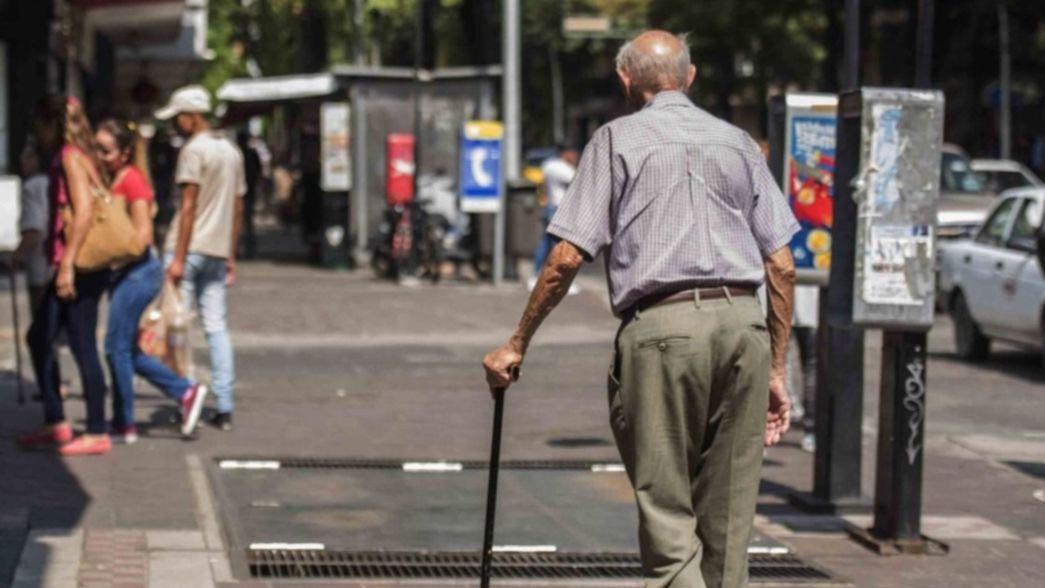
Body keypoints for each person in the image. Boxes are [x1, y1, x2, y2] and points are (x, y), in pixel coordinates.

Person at [483, 31, 798, 588]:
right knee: (728, 520)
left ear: (626, 80)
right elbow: (781, 264)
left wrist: (518, 341)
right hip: (744, 325)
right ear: (690, 77)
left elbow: (565, 256)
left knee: (668, 512)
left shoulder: (614, 140)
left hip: (663, 330)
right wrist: (775, 368)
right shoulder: (739, 143)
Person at [96, 118, 210, 444]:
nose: (101, 156)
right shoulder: (115, 178)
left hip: (138, 273)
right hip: (126, 273)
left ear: (125, 152)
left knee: (115, 348)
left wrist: (109, 255)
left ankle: (124, 423)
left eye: (106, 151)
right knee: (126, 350)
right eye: (97, 150)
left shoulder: (132, 181)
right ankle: (185, 392)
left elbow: (142, 236)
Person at [17, 96, 114, 456]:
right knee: (39, 336)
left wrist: (68, 264)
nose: (36, 135)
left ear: (50, 124)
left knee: (82, 344)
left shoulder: (71, 157)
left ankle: (96, 429)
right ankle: (57, 421)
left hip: (81, 267)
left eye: (38, 126)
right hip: (74, 264)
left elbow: (85, 211)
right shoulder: (72, 155)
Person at [154, 85, 245, 432]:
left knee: (180, 330)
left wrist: (177, 258)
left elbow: (188, 207)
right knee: (216, 327)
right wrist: (231, 254)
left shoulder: (193, 151)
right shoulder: (231, 152)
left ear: (191, 116)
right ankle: (224, 405)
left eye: (178, 117)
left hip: (188, 249)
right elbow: (238, 207)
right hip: (217, 251)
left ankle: (186, 398)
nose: (176, 124)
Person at [529, 144, 579, 293]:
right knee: (559, 248)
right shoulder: (561, 168)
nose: (575, 157)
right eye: (573, 154)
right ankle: (558, 282)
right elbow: (578, 181)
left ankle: (535, 276)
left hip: (549, 207)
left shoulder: (547, 165)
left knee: (544, 244)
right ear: (566, 153)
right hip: (559, 210)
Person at [13, 143, 51, 314]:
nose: (22, 161)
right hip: (56, 265)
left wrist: (17, 256)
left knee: (41, 329)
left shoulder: (32, 186)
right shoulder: (53, 181)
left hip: (40, 266)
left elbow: (34, 228)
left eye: (28, 156)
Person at [789, 286, 818, 453]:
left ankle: (790, 409)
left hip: (784, 302)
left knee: (780, 364)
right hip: (812, 307)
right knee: (811, 366)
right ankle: (810, 428)